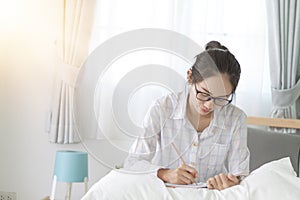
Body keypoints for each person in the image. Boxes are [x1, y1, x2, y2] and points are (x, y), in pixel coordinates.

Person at [124, 41, 250, 190]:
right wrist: (165, 174)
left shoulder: (235, 118)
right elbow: (132, 163)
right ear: (190, 77)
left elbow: (241, 176)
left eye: (221, 98)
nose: (209, 105)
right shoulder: (162, 109)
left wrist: (230, 183)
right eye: (204, 94)